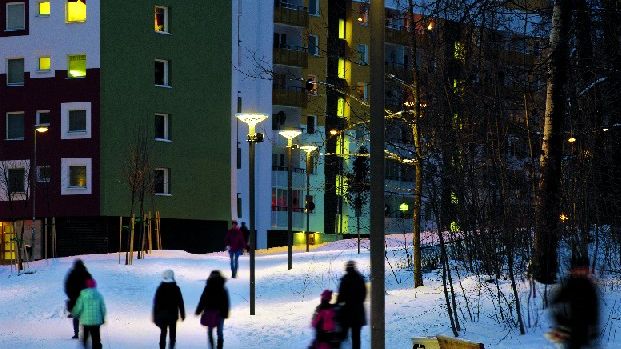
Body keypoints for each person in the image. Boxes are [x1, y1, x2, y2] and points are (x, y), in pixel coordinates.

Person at [548, 255, 599, 349]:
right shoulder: (566, 285)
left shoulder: (590, 287)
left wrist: (594, 328)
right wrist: (561, 324)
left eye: (584, 269)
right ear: (573, 270)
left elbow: (594, 309)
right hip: (569, 330)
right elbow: (555, 305)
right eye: (579, 269)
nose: (582, 271)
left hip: (585, 330)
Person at [195, 270, 230, 349]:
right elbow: (226, 302)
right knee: (220, 332)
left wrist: (199, 310)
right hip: (220, 313)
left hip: (209, 312)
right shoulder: (223, 288)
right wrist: (225, 313)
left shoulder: (208, 288)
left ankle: (212, 347)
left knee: (210, 331)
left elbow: (202, 300)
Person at [336, 261, 366, 349]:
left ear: (347, 268)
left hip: (347, 311)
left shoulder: (345, 279)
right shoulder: (360, 279)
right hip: (358, 312)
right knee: (356, 336)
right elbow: (363, 295)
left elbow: (341, 296)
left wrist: (337, 304)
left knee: (342, 335)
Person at [153, 269, 185, 349]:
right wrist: (182, 314)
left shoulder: (160, 289)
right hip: (173, 315)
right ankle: (171, 347)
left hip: (162, 315)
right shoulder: (176, 289)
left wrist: (155, 317)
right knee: (172, 334)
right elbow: (180, 302)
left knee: (163, 333)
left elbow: (156, 304)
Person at [72, 278, 106, 349]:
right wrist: (103, 317)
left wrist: (75, 314)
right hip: (96, 321)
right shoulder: (99, 295)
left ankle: (85, 346)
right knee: (96, 338)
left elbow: (78, 307)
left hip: (86, 321)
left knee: (85, 337)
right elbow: (103, 308)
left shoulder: (82, 295)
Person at [64, 259, 92, 339]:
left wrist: (70, 295)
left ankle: (76, 333)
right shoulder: (86, 274)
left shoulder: (72, 273)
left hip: (74, 298)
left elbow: (67, 285)